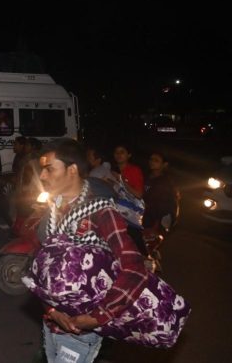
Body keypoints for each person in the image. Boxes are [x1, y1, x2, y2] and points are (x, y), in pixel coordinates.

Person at [35, 138, 148, 362]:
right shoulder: (53, 212)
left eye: (49, 169)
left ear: (72, 170)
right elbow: (41, 271)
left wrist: (98, 317)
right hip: (51, 324)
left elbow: (134, 269)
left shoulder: (101, 212)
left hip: (80, 333)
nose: (42, 176)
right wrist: (51, 310)